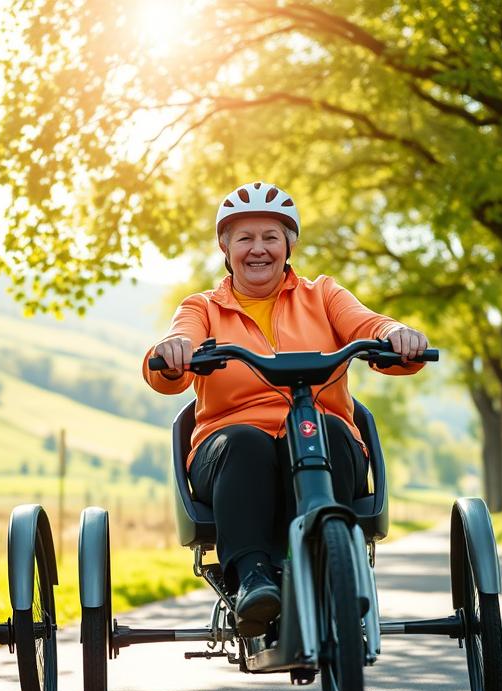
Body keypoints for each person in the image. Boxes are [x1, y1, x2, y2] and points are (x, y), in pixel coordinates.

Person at [143, 181, 428, 637]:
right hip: (230, 451)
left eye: (271, 237)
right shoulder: (203, 308)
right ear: (225, 246)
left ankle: (332, 569)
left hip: (320, 437)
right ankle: (253, 581)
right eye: (245, 238)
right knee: (246, 442)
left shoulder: (323, 295)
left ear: (289, 244)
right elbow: (172, 355)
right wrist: (175, 350)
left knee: (331, 432)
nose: (258, 249)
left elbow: (368, 324)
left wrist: (396, 334)